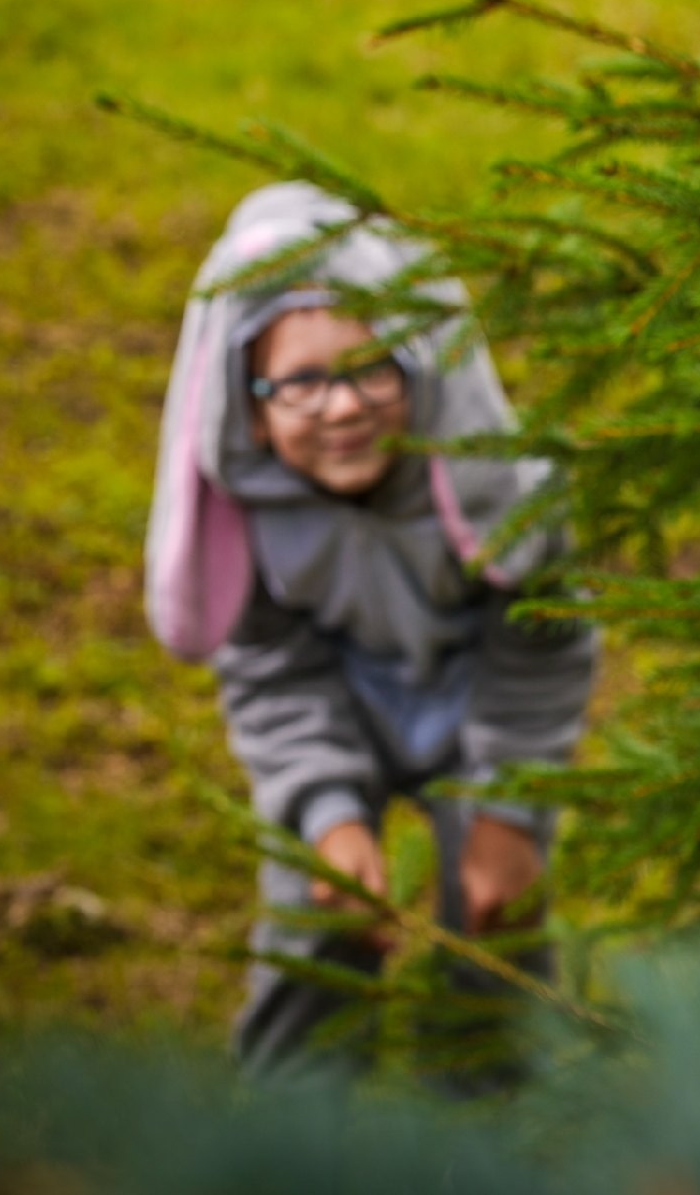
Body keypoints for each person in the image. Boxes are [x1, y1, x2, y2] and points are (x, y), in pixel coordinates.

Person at [145, 182, 598, 1073]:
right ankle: (299, 1121)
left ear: (420, 364)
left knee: (495, 935)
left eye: (371, 368)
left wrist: (506, 809)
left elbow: (542, 641)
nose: (344, 407)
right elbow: (271, 671)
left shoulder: (485, 487)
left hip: (483, 715)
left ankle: (491, 1109)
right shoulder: (248, 517)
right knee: (317, 921)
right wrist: (327, 813)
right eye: (301, 383)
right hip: (336, 715)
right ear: (249, 403)